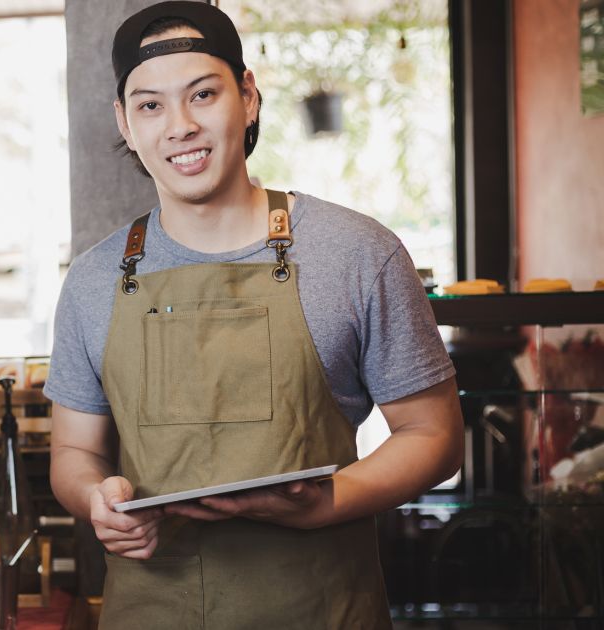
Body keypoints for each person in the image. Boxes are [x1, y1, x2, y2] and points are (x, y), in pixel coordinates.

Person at [43, 2, 464, 628]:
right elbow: (75, 450)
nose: (180, 126)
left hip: (321, 610)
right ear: (125, 124)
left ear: (247, 97)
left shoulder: (357, 253)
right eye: (150, 105)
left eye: (203, 94)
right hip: (152, 611)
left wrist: (325, 504)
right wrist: (95, 499)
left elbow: (434, 437)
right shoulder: (93, 279)